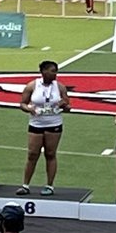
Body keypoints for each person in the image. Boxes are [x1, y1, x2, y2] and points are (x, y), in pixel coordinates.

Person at [17, 61, 70, 196]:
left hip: (54, 123)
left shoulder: (60, 87)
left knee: (50, 154)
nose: (55, 74)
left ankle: (49, 185)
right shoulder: (32, 86)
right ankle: (25, 185)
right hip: (36, 124)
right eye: (52, 71)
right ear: (44, 71)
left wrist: (63, 105)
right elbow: (22, 103)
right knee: (32, 154)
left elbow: (67, 104)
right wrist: (30, 109)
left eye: (56, 71)